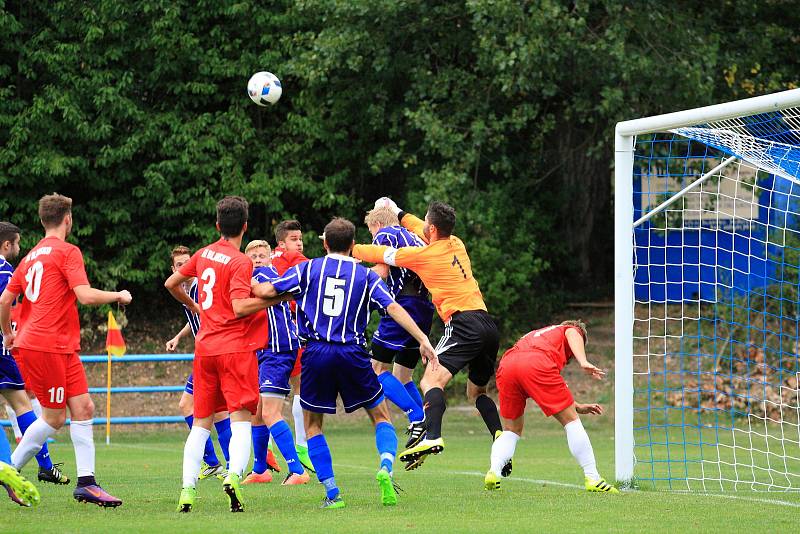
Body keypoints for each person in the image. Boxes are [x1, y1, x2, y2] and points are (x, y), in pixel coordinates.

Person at [253, 217, 437, 509]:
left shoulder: (309, 268)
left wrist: (255, 283)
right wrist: (422, 339)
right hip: (353, 353)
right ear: (353, 246)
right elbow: (392, 307)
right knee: (381, 417)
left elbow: (266, 292)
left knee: (313, 426)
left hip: (315, 354)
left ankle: (332, 492)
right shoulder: (365, 276)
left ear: (325, 244)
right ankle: (386, 468)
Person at [0, 194, 132, 507]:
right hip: (48, 346)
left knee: (84, 407)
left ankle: (87, 483)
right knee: (54, 417)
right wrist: (119, 295)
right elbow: (84, 296)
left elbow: (5, 300)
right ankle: (8, 470)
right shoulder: (67, 252)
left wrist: (7, 334)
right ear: (68, 219)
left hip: (58, 346)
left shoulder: (31, 256)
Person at [352, 199, 503, 471]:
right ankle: (499, 437)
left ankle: (429, 432)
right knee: (477, 392)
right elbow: (416, 224)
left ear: (432, 229)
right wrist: (397, 210)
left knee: (430, 380)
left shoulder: (424, 256)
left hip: (462, 322)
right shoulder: (456, 242)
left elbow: (384, 256)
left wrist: (348, 248)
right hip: (487, 323)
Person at [166, 196, 280, 513]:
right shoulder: (240, 261)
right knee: (241, 419)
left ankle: (187, 490)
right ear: (244, 226)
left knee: (201, 422)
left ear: (218, 225)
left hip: (205, 349)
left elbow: (172, 283)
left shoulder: (203, 254)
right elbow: (240, 306)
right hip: (235, 348)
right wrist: (274, 299)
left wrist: (194, 306)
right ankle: (232, 476)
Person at [486, 320, 618, 493]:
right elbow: (572, 332)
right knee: (571, 422)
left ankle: (493, 473)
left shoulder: (539, 334)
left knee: (511, 430)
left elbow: (549, 383)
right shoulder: (570, 329)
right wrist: (583, 361)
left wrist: (576, 405)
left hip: (508, 364)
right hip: (535, 362)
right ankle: (592, 478)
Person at [0, 221, 68, 486]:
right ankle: (18, 469)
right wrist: (7, 333)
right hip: (1, 350)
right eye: (16, 242)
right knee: (22, 406)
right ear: (7, 244)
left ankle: (41, 467)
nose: (18, 247)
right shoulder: (5, 270)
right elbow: (3, 303)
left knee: (18, 403)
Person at [363, 207, 435, 448]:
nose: (372, 237)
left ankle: (417, 418)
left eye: (371, 231)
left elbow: (381, 272)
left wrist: (352, 275)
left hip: (405, 303)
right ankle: (426, 426)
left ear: (377, 224)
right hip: (424, 306)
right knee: (402, 375)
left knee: (375, 369)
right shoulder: (413, 236)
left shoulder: (386, 234)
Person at [243, 239, 309, 486]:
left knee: (270, 412)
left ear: (271, 258)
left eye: (262, 255)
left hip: (277, 350)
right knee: (257, 413)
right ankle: (261, 469)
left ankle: (297, 470)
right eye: (253, 256)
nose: (258, 259)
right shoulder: (259, 277)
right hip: (264, 351)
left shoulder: (266, 276)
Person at [165, 246, 231, 480]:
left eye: (187, 263)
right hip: (208, 355)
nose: (185, 268)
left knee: (191, 406)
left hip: (212, 355)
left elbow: (207, 314)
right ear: (173, 269)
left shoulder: (200, 288)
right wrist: (179, 336)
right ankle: (226, 464)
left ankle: (219, 464)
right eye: (179, 265)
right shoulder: (187, 290)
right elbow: (195, 317)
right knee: (219, 411)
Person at [271, 219, 313, 470]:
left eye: (300, 238)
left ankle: (264, 454)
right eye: (294, 239)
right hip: (293, 333)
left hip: (270, 338)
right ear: (281, 243)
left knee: (268, 395)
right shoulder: (302, 264)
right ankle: (301, 447)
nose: (299, 243)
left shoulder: (267, 261)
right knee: (300, 387)